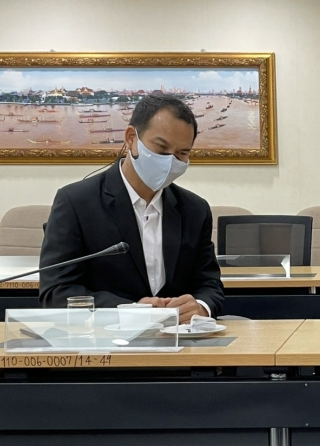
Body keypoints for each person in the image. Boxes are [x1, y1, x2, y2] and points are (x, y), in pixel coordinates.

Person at [39, 93, 224, 323]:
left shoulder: (195, 209)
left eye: (182, 154)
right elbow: (56, 291)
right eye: (161, 148)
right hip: (104, 338)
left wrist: (201, 307)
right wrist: (128, 312)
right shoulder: (76, 202)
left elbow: (209, 284)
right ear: (131, 138)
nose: (170, 161)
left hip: (179, 338)